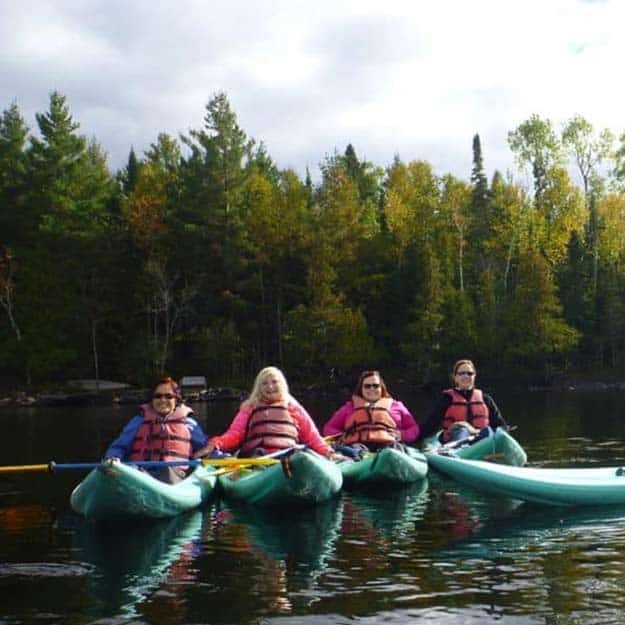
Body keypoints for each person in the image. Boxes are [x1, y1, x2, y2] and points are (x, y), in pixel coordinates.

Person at [193, 366, 340, 460]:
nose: (270, 386)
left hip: (288, 454)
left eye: (274, 382)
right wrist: (214, 444)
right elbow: (234, 435)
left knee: (301, 457)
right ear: (259, 387)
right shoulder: (250, 407)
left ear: (282, 384)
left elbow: (312, 436)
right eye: (264, 383)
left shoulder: (293, 407)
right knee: (259, 456)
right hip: (259, 455)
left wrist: (329, 453)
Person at [104, 376, 209, 483]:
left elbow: (206, 449)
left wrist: (221, 457)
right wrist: (113, 457)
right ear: (152, 399)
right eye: (158, 396)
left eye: (168, 396)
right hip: (141, 473)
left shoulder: (188, 423)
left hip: (176, 475)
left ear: (176, 399)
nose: (163, 400)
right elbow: (120, 446)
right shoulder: (138, 421)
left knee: (167, 469)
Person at [322, 370, 419, 452]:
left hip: (389, 444)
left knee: (394, 448)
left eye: (375, 386)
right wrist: (341, 436)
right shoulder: (348, 408)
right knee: (355, 449)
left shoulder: (397, 406)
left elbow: (413, 428)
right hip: (358, 446)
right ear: (361, 389)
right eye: (367, 386)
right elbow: (329, 428)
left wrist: (402, 435)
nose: (372, 389)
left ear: (381, 388)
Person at [419, 358, 508, 445]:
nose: (466, 376)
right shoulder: (446, 399)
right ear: (455, 378)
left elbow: (501, 426)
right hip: (455, 441)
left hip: (481, 441)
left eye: (470, 373)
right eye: (462, 373)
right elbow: (430, 425)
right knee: (462, 430)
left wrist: (479, 432)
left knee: (489, 431)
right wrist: (414, 438)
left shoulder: (486, 399)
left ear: (474, 377)